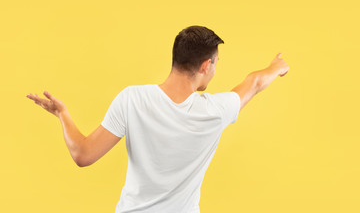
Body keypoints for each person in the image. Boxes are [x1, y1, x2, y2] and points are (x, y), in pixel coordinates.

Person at [26, 25, 289, 213]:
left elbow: (83, 155)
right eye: (216, 64)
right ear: (206, 66)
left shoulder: (132, 99)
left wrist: (63, 114)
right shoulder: (215, 111)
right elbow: (253, 83)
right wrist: (276, 68)